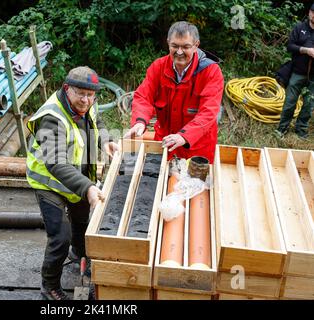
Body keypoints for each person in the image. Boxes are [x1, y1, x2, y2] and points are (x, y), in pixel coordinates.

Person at [26, 66, 119, 300]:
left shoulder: (88, 104)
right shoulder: (51, 118)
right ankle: (49, 287)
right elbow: (55, 164)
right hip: (49, 184)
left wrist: (106, 141)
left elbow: (97, 123)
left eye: (90, 95)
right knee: (60, 237)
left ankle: (80, 255)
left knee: (82, 222)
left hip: (76, 178)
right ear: (67, 89)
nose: (86, 100)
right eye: (80, 94)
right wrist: (87, 187)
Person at [124, 21, 224, 163]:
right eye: (175, 46)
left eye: (185, 47)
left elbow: (208, 112)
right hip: (165, 142)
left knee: (196, 184)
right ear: (168, 43)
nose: (179, 52)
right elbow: (143, 97)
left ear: (196, 45)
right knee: (162, 181)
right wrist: (139, 122)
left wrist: (184, 136)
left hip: (196, 146)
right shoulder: (158, 66)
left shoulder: (211, 72)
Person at [275, 4, 314, 140]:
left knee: (309, 105)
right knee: (290, 102)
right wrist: (305, 50)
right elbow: (290, 46)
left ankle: (301, 130)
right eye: (313, 12)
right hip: (297, 72)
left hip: (313, 77)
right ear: (309, 12)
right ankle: (282, 129)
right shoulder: (299, 28)